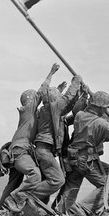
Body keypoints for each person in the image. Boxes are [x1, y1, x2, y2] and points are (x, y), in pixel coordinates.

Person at [55, 91, 109, 215]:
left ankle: (60, 212)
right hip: (86, 161)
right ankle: (81, 209)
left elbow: (100, 135)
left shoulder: (80, 116)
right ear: (102, 108)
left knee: (71, 188)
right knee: (107, 189)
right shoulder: (101, 124)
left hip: (73, 158)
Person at [0, 63, 60, 212]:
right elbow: (41, 92)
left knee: (13, 183)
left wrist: (60, 91)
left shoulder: (30, 114)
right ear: (30, 99)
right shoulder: (29, 109)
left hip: (17, 150)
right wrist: (51, 73)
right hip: (20, 150)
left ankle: (0, 209)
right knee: (35, 174)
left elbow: (49, 102)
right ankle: (14, 201)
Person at [30, 72, 83, 204]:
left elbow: (69, 106)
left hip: (43, 150)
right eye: (58, 97)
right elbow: (67, 98)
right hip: (44, 151)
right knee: (58, 180)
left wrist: (80, 95)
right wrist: (76, 81)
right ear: (55, 99)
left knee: (47, 181)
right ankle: (27, 195)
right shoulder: (53, 108)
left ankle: (35, 207)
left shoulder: (46, 109)